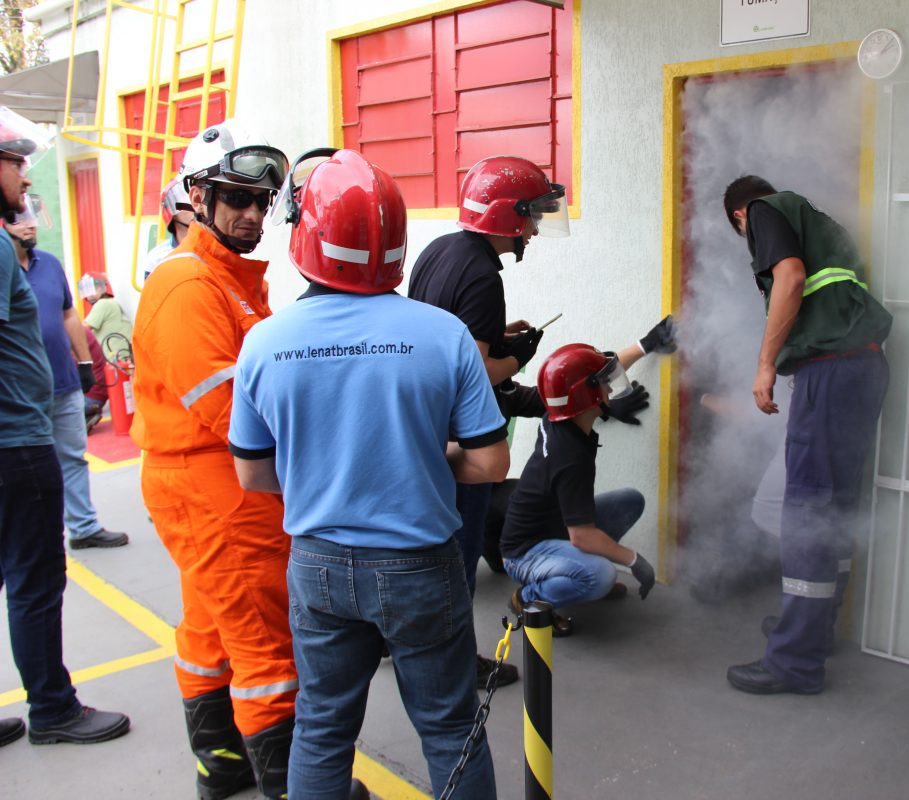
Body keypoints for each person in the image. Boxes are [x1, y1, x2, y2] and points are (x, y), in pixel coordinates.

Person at [230, 149, 508, 800]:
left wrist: (318, 469)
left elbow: (252, 475)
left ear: (306, 235)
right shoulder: (443, 336)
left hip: (319, 566)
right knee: (449, 727)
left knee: (323, 728)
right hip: (420, 564)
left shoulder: (266, 342)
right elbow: (491, 462)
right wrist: (426, 457)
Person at [407, 155, 671, 682]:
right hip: (462, 439)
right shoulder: (483, 275)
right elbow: (479, 372)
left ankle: (410, 642)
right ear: (509, 216)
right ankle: (455, 667)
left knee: (435, 547)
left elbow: (446, 342)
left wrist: (502, 338)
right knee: (454, 559)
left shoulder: (442, 251)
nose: (534, 229)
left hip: (426, 427)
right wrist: (520, 354)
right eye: (531, 216)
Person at [131, 120, 295, 799]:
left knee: (211, 623)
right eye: (236, 197)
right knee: (264, 639)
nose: (252, 214)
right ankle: (295, 786)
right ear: (196, 198)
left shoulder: (228, 279)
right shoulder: (192, 286)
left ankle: (222, 766)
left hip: (206, 484)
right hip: (214, 486)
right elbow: (233, 414)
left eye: (262, 201)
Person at [721, 175, 892, 695]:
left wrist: (765, 365)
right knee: (834, 508)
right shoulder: (821, 224)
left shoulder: (766, 211)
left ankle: (795, 660)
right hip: (864, 369)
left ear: (740, 217)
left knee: (806, 512)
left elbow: (790, 278)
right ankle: (814, 633)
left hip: (831, 373)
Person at [0, 105, 130, 748]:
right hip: (15, 443)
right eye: (14, 163)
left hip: (17, 435)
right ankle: (52, 708)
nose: (25, 178)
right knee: (34, 576)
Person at [500, 343, 666, 637]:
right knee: (601, 575)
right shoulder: (570, 455)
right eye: (605, 383)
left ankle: (578, 568)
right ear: (586, 396)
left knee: (629, 501)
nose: (611, 387)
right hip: (524, 554)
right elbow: (582, 535)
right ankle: (529, 599)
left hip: (553, 527)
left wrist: (644, 344)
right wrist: (635, 560)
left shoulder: (556, 417)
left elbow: (583, 377)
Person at [4, 206, 128, 549]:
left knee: (73, 456)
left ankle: (84, 527)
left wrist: (86, 363)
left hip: (63, 383)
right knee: (29, 467)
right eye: (18, 218)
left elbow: (69, 315)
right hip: (20, 392)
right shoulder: (4, 267)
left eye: (31, 216)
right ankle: (37, 538)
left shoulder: (49, 264)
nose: (29, 224)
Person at [143, 177, 194, 281]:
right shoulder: (157, 257)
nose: (193, 206)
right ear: (169, 211)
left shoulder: (216, 249)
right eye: (183, 200)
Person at [78, 271, 133, 361]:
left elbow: (83, 329)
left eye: (92, 289)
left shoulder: (103, 304)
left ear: (102, 288)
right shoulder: (110, 303)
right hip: (120, 356)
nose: (89, 294)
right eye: (86, 290)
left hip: (115, 359)